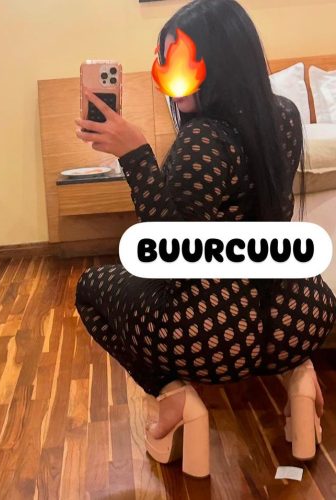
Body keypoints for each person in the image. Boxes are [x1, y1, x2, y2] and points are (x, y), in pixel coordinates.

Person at [74, 0, 335, 476]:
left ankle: (174, 400)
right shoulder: (284, 115)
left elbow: (173, 258)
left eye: (174, 61)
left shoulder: (203, 140)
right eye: (161, 60)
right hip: (300, 316)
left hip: (218, 335)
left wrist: (136, 156)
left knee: (91, 287)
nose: (165, 78)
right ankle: (301, 380)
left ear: (215, 62)